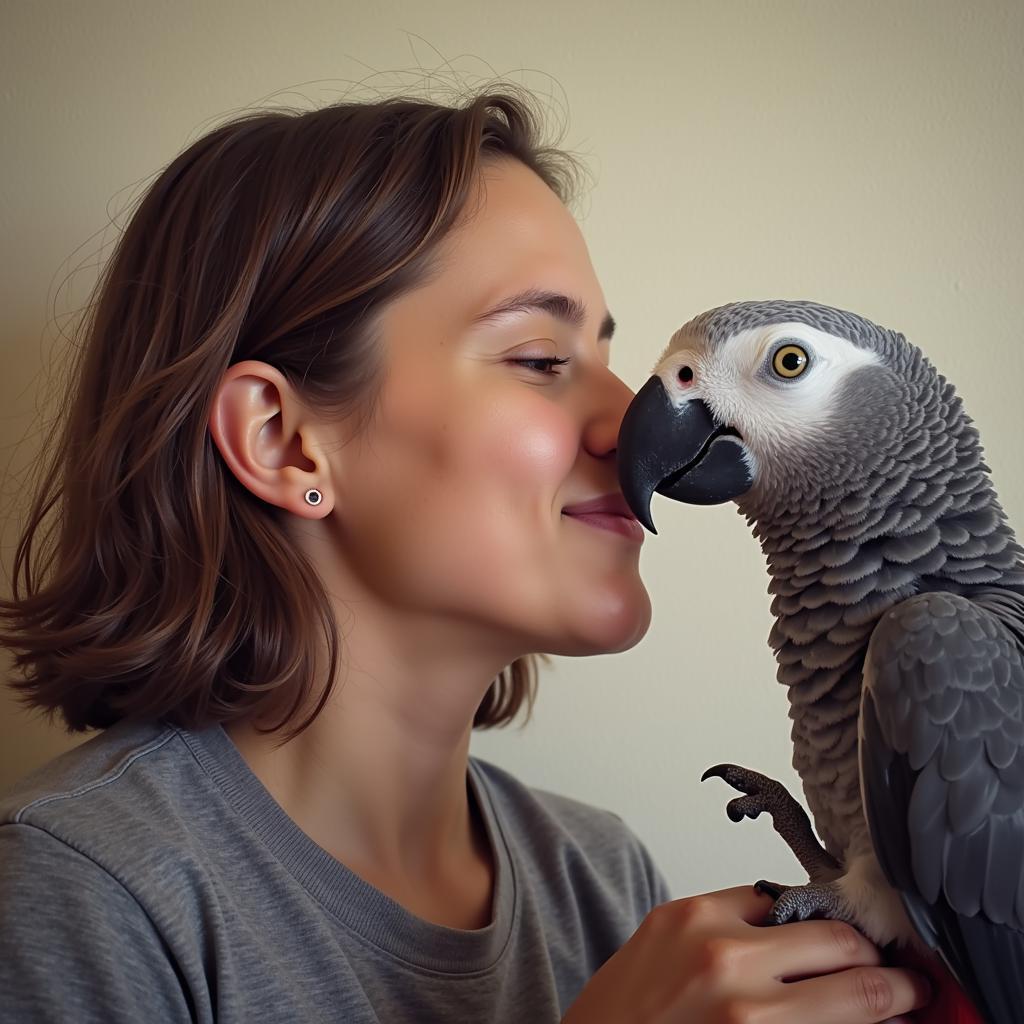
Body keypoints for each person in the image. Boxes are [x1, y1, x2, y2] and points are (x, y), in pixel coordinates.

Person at [0, 87, 931, 1023]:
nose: (623, 418)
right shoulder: (78, 893)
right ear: (283, 441)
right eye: (538, 358)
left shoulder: (599, 877)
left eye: (607, 359)